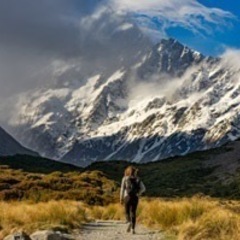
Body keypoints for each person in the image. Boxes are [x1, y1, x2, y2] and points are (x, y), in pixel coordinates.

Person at [120, 166, 146, 234]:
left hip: (127, 197)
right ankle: (133, 229)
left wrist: (121, 198)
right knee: (133, 212)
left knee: (127, 211)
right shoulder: (138, 179)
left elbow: (122, 189)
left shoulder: (125, 178)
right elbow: (143, 188)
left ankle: (128, 222)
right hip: (135, 197)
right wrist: (138, 193)